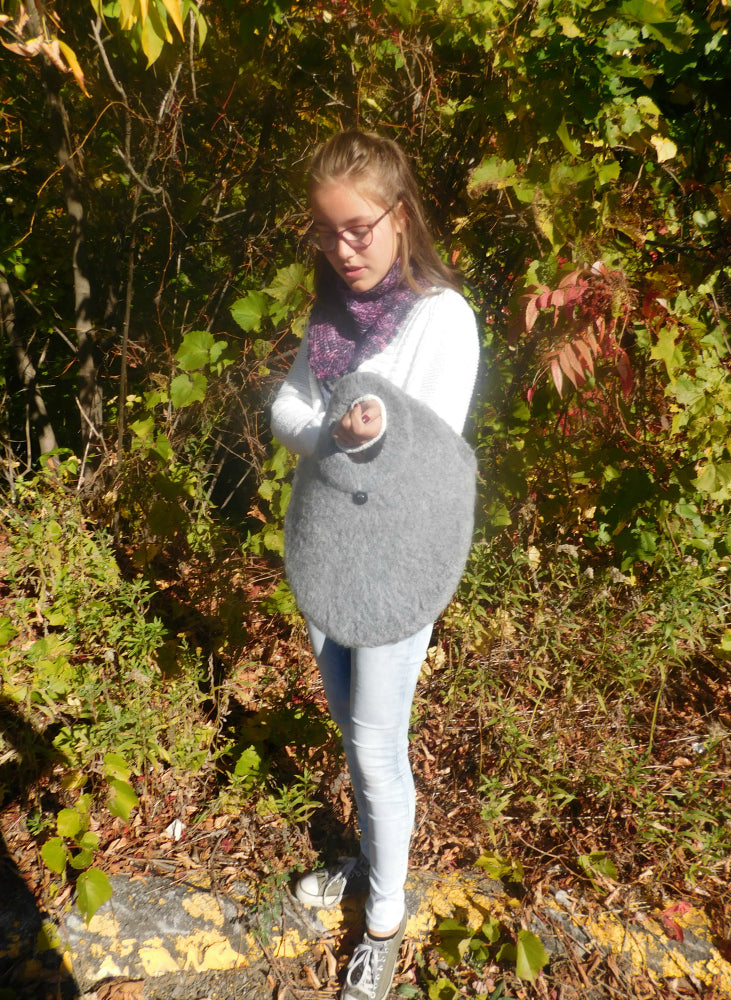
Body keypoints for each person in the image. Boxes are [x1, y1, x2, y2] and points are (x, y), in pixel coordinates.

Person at [270, 130, 479, 1000]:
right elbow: (284, 404)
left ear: (401, 217)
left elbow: (432, 450)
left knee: (374, 745)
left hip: (398, 569)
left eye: (359, 228)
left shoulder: (442, 318)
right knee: (355, 734)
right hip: (327, 556)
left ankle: (385, 920)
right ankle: (366, 859)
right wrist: (329, 431)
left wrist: (375, 432)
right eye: (327, 232)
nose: (343, 248)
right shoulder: (328, 323)